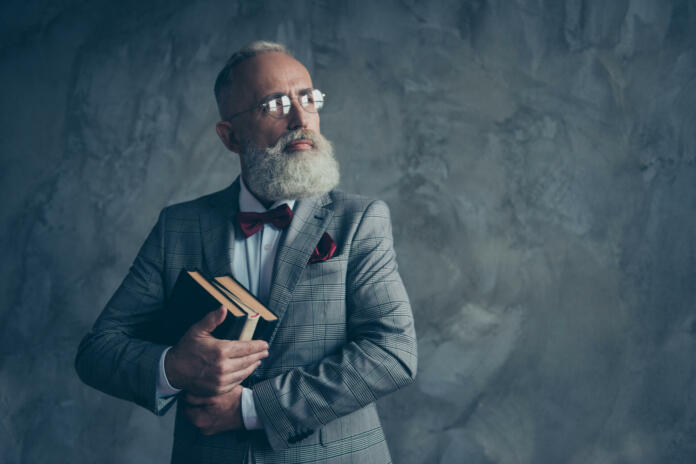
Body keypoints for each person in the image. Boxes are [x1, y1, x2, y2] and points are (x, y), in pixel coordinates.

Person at [75, 40, 417, 464]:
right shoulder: (178, 227)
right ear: (230, 136)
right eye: (274, 104)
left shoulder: (361, 219)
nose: (300, 118)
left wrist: (252, 409)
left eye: (307, 98)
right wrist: (176, 367)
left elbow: (392, 352)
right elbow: (98, 351)